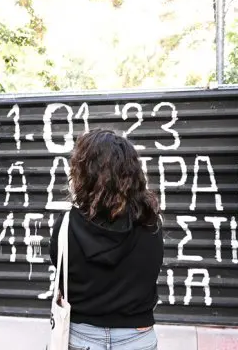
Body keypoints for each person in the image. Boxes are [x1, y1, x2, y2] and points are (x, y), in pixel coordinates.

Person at [49, 129, 164, 350]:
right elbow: (151, 272)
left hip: (80, 335)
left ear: (83, 173)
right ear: (132, 173)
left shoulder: (65, 225)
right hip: (137, 337)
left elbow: (62, 273)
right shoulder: (150, 223)